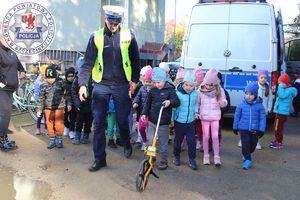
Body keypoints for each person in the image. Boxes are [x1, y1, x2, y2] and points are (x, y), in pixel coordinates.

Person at [78, 5, 140, 172]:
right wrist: (83, 84)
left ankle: (126, 143)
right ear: (106, 19)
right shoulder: (96, 37)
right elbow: (87, 63)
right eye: (112, 22)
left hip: (121, 84)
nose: (114, 26)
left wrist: (134, 80)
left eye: (117, 23)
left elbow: (135, 60)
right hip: (101, 85)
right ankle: (100, 159)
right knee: (98, 123)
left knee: (122, 120)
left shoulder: (128, 35)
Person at [141, 67, 180, 170]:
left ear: (164, 80)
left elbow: (177, 102)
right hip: (152, 120)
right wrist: (144, 113)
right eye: (155, 82)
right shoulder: (153, 90)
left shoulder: (170, 90)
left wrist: (170, 102)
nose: (157, 84)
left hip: (163, 122)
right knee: (150, 141)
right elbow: (148, 103)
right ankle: (151, 157)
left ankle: (163, 160)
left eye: (159, 82)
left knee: (163, 142)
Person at [0, 25, 26, 151]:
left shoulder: (11, 51)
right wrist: (2, 83)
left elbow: (17, 63)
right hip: (2, 90)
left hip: (11, 89)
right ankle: (2, 141)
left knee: (6, 115)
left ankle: (3, 138)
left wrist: (22, 70)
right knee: (4, 114)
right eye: (7, 39)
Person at [37, 65, 72, 149]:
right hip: (48, 108)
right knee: (49, 124)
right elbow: (41, 98)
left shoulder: (61, 83)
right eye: (48, 78)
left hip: (59, 108)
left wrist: (69, 104)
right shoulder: (43, 85)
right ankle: (52, 140)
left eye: (52, 78)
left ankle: (59, 140)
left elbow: (67, 94)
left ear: (55, 76)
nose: (50, 80)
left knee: (59, 124)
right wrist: (39, 110)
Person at [233, 82, 266, 170]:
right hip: (243, 128)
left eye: (251, 94)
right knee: (245, 145)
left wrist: (261, 130)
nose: (248, 96)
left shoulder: (259, 106)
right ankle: (248, 159)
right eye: (246, 93)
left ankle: (247, 153)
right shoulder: (241, 104)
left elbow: (262, 119)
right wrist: (235, 127)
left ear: (255, 95)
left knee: (253, 146)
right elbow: (237, 116)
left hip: (255, 129)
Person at [198, 68, 227, 166]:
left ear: (215, 83)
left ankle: (216, 157)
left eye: (211, 85)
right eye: (207, 84)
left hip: (215, 117)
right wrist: (196, 111)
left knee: (215, 136)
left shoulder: (219, 90)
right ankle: (206, 156)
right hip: (204, 117)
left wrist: (222, 103)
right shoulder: (201, 90)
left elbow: (224, 101)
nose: (209, 86)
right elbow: (197, 103)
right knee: (206, 137)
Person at [173, 71, 198, 170]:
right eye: (186, 84)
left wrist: (196, 112)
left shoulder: (196, 93)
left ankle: (192, 159)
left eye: (191, 85)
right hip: (179, 121)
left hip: (190, 122)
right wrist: (172, 119)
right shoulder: (178, 93)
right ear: (183, 83)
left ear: (194, 85)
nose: (188, 87)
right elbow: (174, 108)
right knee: (178, 141)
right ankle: (176, 156)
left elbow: (195, 104)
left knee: (192, 141)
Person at [270, 74, 297, 149]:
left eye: (281, 83)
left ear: (285, 83)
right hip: (280, 112)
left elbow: (281, 95)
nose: (279, 85)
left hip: (281, 113)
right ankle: (277, 140)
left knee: (277, 127)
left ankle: (279, 142)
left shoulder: (287, 91)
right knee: (277, 127)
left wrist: (280, 87)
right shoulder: (286, 90)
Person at [71, 57, 93, 145]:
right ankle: (77, 136)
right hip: (80, 105)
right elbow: (73, 92)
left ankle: (86, 136)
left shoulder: (93, 79)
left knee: (88, 122)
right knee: (79, 121)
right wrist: (77, 104)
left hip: (90, 105)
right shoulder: (77, 79)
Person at [133, 68, 153, 150]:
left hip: (152, 113)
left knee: (149, 130)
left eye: (150, 82)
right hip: (143, 112)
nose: (148, 84)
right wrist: (135, 103)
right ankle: (143, 140)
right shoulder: (142, 89)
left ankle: (148, 144)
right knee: (141, 127)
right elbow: (138, 96)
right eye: (146, 81)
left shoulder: (154, 90)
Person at [34, 64, 48, 135]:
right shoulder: (38, 82)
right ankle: (38, 128)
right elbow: (36, 94)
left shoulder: (47, 80)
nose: (45, 76)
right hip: (40, 101)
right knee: (39, 115)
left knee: (46, 116)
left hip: (46, 101)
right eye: (44, 74)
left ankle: (46, 129)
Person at [63, 67, 76, 139]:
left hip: (73, 104)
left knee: (72, 118)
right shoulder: (64, 84)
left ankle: (71, 130)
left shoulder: (75, 83)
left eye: (72, 76)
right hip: (65, 104)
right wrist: (68, 104)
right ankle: (66, 127)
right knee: (64, 117)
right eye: (69, 76)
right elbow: (65, 95)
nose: (70, 78)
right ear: (66, 76)